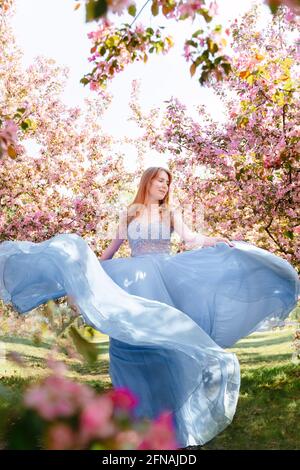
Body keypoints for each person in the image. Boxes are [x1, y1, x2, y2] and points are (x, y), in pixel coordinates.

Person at [0, 166, 299, 449]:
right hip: (131, 282)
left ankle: (173, 424)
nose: (164, 186)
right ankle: (134, 420)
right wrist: (79, 286)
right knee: (128, 346)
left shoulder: (171, 213)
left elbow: (191, 239)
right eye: (159, 180)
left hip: (164, 281)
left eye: (167, 182)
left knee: (165, 349)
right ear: (147, 182)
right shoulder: (129, 214)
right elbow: (108, 254)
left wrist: (220, 241)